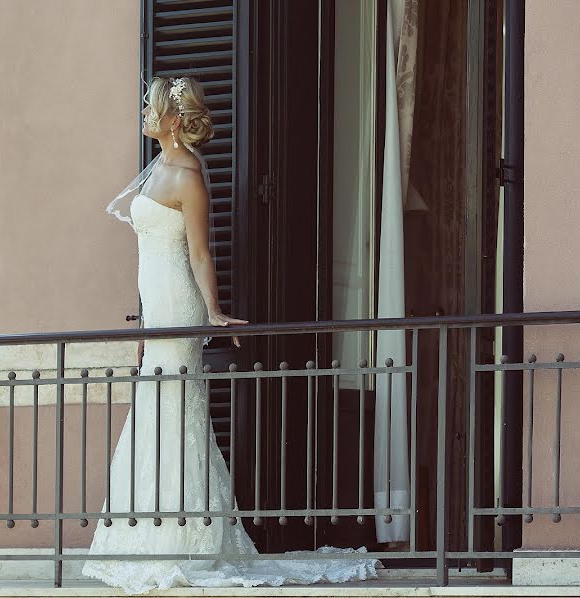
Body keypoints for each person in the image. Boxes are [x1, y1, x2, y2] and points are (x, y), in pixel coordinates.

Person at [81, 76, 382, 595]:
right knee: (156, 406)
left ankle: (181, 539)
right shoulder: (156, 169)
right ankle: (145, 533)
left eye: (151, 110)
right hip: (155, 306)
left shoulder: (188, 175)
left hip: (178, 301)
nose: (145, 117)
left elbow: (199, 252)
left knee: (171, 408)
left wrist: (214, 310)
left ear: (173, 121)